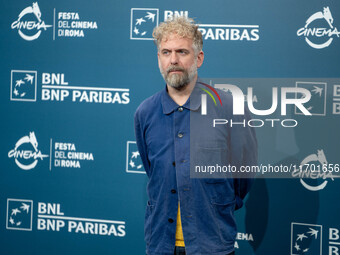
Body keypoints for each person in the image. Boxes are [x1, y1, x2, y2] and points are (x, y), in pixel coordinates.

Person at [134, 17, 257, 255]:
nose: (173, 60)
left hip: (212, 244)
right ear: (158, 59)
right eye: (166, 52)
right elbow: (152, 170)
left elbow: (244, 175)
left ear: (198, 58)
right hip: (160, 244)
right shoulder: (145, 113)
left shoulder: (230, 108)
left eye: (182, 51)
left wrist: (220, 206)